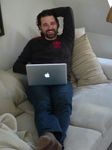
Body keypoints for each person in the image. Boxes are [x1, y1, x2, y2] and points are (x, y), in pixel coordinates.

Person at [13, 7, 75, 150]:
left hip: (62, 81)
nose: (50, 27)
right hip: (38, 82)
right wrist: (35, 70)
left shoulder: (67, 39)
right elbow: (17, 66)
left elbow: (67, 11)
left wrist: (46, 11)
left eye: (52, 23)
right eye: (45, 24)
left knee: (63, 104)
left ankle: (51, 139)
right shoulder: (33, 43)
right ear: (40, 27)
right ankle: (53, 141)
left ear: (57, 25)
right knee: (43, 105)